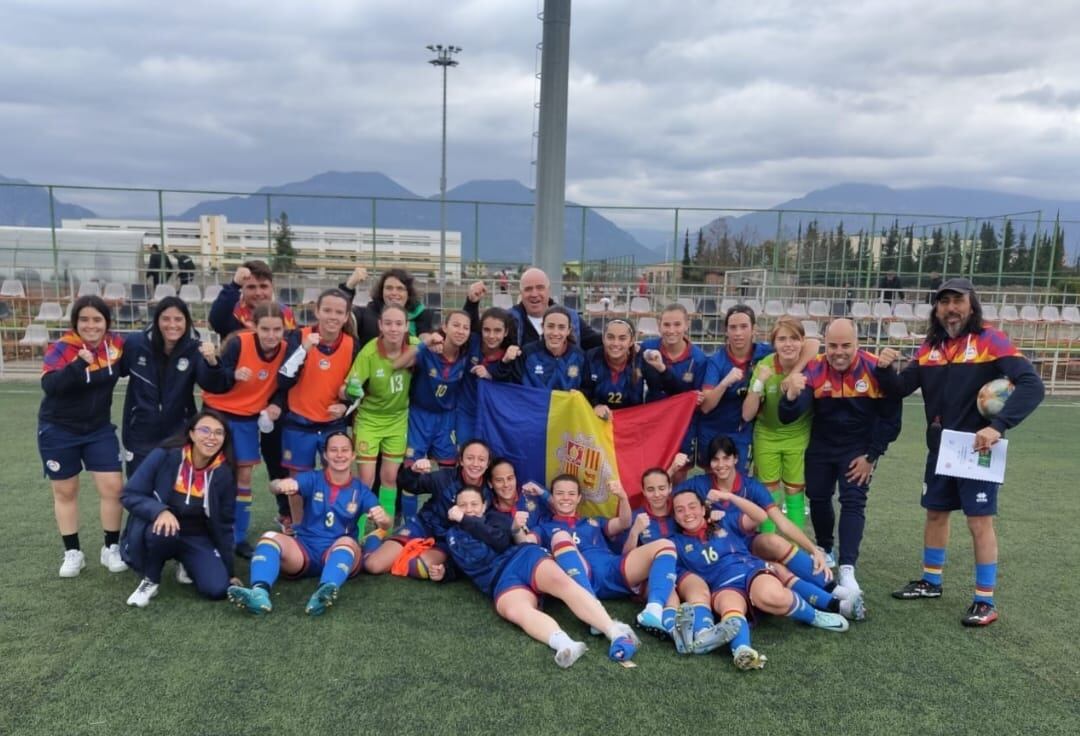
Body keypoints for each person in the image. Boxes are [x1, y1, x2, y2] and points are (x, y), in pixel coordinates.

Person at [876, 278, 1044, 626]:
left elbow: (1032, 384)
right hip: (942, 449)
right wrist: (884, 369)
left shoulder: (990, 339)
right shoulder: (931, 347)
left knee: (979, 521)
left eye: (957, 301)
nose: (951, 309)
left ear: (971, 304)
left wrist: (997, 427)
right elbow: (901, 389)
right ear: (936, 308)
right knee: (936, 513)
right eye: (944, 302)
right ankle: (931, 581)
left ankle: (985, 601)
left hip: (978, 448)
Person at [437, 486, 640, 666]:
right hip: (499, 580)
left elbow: (498, 541)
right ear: (454, 507)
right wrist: (444, 571)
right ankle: (565, 644)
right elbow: (462, 562)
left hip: (523, 557)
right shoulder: (452, 534)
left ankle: (615, 633)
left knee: (562, 583)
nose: (469, 508)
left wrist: (466, 519)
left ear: (483, 507)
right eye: (463, 505)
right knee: (516, 611)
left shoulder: (495, 519)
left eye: (474, 504)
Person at [778, 318, 902, 593]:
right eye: (833, 345)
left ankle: (848, 569)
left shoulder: (875, 368)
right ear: (825, 344)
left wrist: (871, 456)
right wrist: (790, 396)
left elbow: (892, 419)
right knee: (818, 497)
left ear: (857, 344)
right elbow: (788, 417)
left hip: (858, 449)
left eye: (846, 345)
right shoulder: (813, 368)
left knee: (853, 501)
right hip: (821, 446)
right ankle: (825, 548)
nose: (839, 352)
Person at [668, 489, 853, 669]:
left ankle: (814, 616)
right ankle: (742, 650)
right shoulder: (675, 543)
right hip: (722, 587)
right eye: (680, 510)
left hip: (750, 572)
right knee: (729, 607)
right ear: (674, 516)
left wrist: (729, 496)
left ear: (702, 509)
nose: (687, 513)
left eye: (692, 507)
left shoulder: (723, 521)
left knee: (771, 595)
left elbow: (760, 516)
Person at [227, 430, 391, 616]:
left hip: (337, 553)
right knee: (269, 537)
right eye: (334, 450)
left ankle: (324, 591)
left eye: (345, 450)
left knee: (347, 543)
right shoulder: (313, 478)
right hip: (304, 550)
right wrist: (280, 485)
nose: (339, 455)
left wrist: (383, 518)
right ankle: (259, 593)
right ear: (325, 455)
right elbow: (273, 487)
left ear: (353, 455)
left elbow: (385, 524)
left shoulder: (360, 490)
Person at [525, 475, 682, 639]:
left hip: (612, 569)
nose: (566, 498)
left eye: (571, 494)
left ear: (579, 498)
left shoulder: (592, 521)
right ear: (553, 497)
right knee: (561, 537)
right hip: (583, 579)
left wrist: (622, 497)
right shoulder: (544, 527)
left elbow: (624, 522)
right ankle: (592, 609)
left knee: (666, 545)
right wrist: (516, 530)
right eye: (560, 493)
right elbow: (526, 543)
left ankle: (653, 612)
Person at [39, 295, 128, 578]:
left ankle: (110, 548)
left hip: (98, 429)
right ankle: (72, 552)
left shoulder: (116, 346)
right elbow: (50, 386)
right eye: (84, 320)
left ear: (107, 323)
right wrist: (78, 364)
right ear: (76, 323)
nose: (91, 325)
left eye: (97, 319)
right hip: (59, 429)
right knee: (65, 491)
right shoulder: (63, 348)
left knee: (113, 487)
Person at [675, 436, 837, 590]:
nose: (721, 464)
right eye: (715, 459)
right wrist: (673, 468)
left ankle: (833, 589)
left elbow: (782, 523)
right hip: (718, 552)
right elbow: (662, 495)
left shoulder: (751, 486)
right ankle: (827, 596)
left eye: (726, 458)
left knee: (773, 541)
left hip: (747, 544)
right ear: (710, 463)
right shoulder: (699, 484)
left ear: (736, 459)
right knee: (777, 569)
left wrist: (814, 549)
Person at [208, 260, 297, 531]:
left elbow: (290, 366)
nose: (258, 292)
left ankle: (285, 514)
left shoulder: (284, 317)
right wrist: (233, 285)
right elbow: (216, 319)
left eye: (263, 286)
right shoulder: (233, 317)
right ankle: (215, 522)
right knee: (222, 468)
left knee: (277, 459)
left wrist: (277, 403)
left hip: (264, 404)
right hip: (229, 405)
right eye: (251, 287)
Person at [120, 409, 237, 607]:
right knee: (164, 530)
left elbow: (224, 524)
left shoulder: (223, 472)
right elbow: (129, 494)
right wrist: (160, 511)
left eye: (219, 433)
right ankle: (151, 579)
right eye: (205, 430)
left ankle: (187, 563)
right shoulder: (165, 455)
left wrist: (229, 571)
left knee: (218, 589)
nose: (211, 437)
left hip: (196, 536)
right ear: (191, 433)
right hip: (158, 529)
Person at [201, 303, 288, 557]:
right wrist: (233, 374)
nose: (271, 335)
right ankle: (207, 531)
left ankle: (238, 538)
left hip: (248, 419)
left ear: (285, 329)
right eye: (265, 329)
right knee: (210, 474)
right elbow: (215, 377)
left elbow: (285, 384)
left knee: (245, 478)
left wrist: (276, 404)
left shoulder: (285, 349)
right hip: (217, 414)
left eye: (277, 329)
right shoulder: (239, 343)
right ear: (254, 327)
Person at [276, 289, 359, 529]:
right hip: (298, 423)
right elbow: (283, 380)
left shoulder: (352, 344)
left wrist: (344, 407)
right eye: (327, 310)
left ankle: (333, 527)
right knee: (296, 482)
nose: (333, 316)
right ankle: (300, 529)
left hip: (333, 426)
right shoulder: (298, 337)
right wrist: (303, 350)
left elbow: (357, 389)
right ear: (316, 311)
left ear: (346, 317)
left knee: (337, 477)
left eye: (339, 312)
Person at [699, 305, 817, 474]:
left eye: (744, 327)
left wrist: (794, 373)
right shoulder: (716, 361)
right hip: (715, 427)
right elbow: (705, 406)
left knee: (741, 481)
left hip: (744, 429)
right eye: (733, 327)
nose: (738, 333)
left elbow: (813, 344)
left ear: (754, 329)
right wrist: (725, 383)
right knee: (714, 482)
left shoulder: (765, 352)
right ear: (726, 331)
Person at [362, 439, 492, 580]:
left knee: (418, 568)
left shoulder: (490, 490)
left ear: (488, 463)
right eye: (470, 458)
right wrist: (413, 471)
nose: (475, 464)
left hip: (447, 541)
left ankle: (413, 550)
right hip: (423, 526)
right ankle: (375, 536)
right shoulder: (444, 477)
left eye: (481, 459)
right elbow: (409, 485)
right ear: (461, 460)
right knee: (373, 565)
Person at [119, 297, 216, 476]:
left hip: (178, 435)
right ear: (157, 321)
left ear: (186, 322)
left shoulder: (195, 349)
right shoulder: (136, 343)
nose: (172, 325)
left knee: (173, 492)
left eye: (178, 319)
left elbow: (212, 384)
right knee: (138, 492)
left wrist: (212, 362)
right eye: (166, 319)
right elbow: (117, 369)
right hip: (139, 435)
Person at [344, 303, 419, 522]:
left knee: (389, 477)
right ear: (380, 325)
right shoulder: (369, 352)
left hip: (398, 420)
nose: (393, 328)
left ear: (407, 326)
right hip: (369, 420)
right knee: (366, 480)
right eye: (388, 323)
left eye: (398, 323)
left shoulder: (415, 345)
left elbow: (434, 346)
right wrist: (351, 389)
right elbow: (349, 384)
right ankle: (354, 532)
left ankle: (383, 530)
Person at [741, 317, 812, 531]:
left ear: (802, 341)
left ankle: (795, 549)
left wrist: (795, 374)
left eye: (794, 338)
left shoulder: (811, 363)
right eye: (782, 339)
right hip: (767, 436)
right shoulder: (765, 366)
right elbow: (746, 414)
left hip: (798, 436)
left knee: (794, 493)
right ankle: (769, 546)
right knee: (769, 493)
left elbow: (816, 344)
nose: (788, 344)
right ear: (774, 343)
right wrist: (760, 382)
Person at [398, 310, 472, 483]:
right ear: (445, 327)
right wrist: (425, 343)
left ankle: (442, 509)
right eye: (455, 325)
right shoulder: (429, 351)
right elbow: (399, 363)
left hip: (447, 418)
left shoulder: (467, 357)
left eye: (466, 328)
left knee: (448, 471)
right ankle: (408, 512)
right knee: (412, 470)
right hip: (419, 416)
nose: (461, 331)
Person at [639, 303, 709, 480]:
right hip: (654, 422)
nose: (672, 330)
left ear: (686, 325)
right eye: (667, 325)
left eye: (677, 324)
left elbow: (699, 399)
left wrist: (697, 398)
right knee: (651, 472)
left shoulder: (698, 359)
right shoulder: (647, 348)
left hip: (683, 426)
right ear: (659, 325)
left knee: (678, 473)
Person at [463, 267, 601, 349]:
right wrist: (471, 303)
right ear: (521, 293)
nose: (534, 294)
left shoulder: (571, 318)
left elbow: (597, 342)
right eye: (528, 289)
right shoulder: (509, 319)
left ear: (549, 290)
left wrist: (620, 330)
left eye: (540, 288)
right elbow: (475, 336)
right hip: (524, 395)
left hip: (561, 394)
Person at [581, 318, 675, 418]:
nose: (615, 343)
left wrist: (662, 368)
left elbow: (664, 391)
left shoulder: (642, 359)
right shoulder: (591, 357)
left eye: (622, 338)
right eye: (610, 337)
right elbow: (584, 391)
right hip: (599, 422)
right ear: (603, 339)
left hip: (632, 424)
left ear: (631, 341)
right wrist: (594, 406)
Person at [456, 307, 516, 445]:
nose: (491, 335)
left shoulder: (509, 355)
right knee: (465, 452)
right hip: (466, 412)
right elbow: (459, 327)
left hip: (492, 416)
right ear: (480, 329)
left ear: (506, 332)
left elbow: (509, 387)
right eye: (486, 330)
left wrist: (490, 375)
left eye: (497, 331)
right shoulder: (472, 342)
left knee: (488, 456)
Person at [493, 306, 587, 391]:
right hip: (534, 409)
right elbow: (507, 385)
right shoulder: (527, 353)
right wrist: (504, 362)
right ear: (543, 327)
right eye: (550, 326)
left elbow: (588, 390)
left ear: (568, 330)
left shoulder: (579, 356)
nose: (555, 333)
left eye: (561, 327)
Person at [339, 266, 435, 348]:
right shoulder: (366, 314)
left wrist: (431, 341)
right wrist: (349, 286)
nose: (394, 293)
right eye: (389, 288)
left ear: (408, 293)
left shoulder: (420, 315)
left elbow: (424, 336)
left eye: (400, 288)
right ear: (382, 291)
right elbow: (339, 315)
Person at [487, 457, 551, 531]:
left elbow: (560, 508)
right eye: (499, 480)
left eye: (510, 478)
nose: (506, 484)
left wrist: (543, 494)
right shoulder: (493, 517)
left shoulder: (531, 490)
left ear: (515, 478)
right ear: (490, 483)